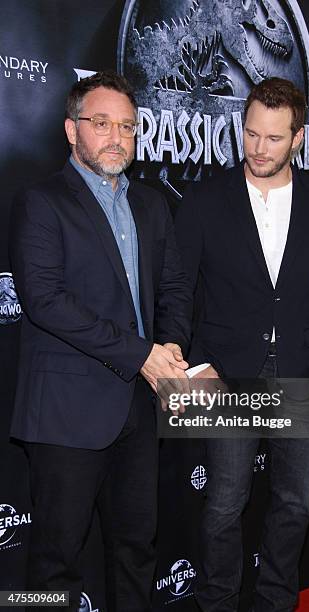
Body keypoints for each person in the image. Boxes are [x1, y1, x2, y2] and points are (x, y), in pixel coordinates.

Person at [175, 77, 309, 612]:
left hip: (304, 373)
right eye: (251, 134)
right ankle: (217, 603)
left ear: (299, 138)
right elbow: (178, 289)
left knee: (294, 504)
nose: (258, 149)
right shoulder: (205, 200)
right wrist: (196, 365)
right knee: (223, 505)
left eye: (274, 139)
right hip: (229, 375)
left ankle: (277, 602)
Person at [9, 70, 191, 612]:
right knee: (52, 561)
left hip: (140, 407)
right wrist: (142, 355)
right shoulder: (40, 202)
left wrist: (172, 350)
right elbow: (46, 301)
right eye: (102, 124)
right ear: (72, 130)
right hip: (67, 412)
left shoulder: (152, 204)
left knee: (136, 549)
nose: (117, 137)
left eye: (128, 127)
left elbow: (174, 286)